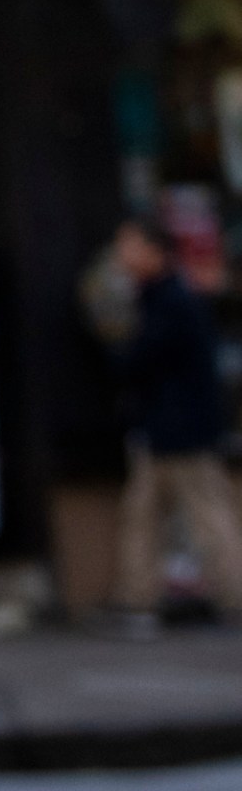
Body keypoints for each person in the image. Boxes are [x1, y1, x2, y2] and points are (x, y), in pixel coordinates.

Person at [108, 217, 242, 633]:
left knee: (207, 517)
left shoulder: (172, 300)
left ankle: (233, 598)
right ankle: (137, 602)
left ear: (153, 251)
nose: (121, 256)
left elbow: (142, 359)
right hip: (164, 429)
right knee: (145, 517)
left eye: (128, 245)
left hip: (182, 431)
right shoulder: (161, 296)